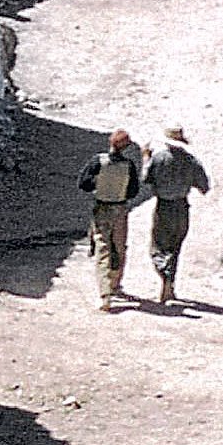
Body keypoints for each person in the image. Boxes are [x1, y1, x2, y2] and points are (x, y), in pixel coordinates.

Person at [142, 125, 211, 303]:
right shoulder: (191, 161)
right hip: (182, 207)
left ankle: (164, 277)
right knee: (175, 247)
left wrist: (145, 158)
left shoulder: (158, 158)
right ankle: (170, 285)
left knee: (158, 247)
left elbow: (145, 179)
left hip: (164, 206)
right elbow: (204, 187)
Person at [78, 129, 140, 312]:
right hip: (120, 209)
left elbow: (84, 184)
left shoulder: (98, 161)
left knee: (102, 247)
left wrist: (100, 185)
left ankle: (105, 294)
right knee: (119, 246)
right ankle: (115, 284)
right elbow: (133, 191)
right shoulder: (129, 165)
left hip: (102, 208)